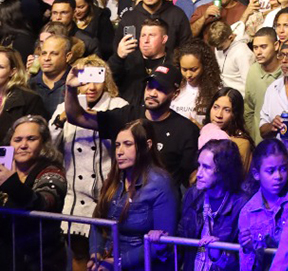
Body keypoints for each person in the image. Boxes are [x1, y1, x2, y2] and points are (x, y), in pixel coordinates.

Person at [64, 62, 199, 190]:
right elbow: (77, 117)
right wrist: (70, 89)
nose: (152, 93)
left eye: (161, 89)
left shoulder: (186, 130)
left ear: (175, 94)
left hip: (159, 205)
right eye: (150, 86)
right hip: (122, 201)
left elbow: (191, 178)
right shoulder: (127, 114)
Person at [49, 55, 128, 267]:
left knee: (106, 256)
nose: (91, 86)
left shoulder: (118, 105)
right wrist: (60, 120)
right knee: (79, 255)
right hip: (76, 196)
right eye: (85, 79)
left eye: (97, 78)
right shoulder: (63, 108)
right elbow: (50, 146)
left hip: (106, 192)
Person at [90, 119, 178, 271]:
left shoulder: (160, 183)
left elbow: (163, 242)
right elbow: (97, 222)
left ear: (148, 145)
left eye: (127, 144)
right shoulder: (114, 179)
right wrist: (95, 253)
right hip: (108, 262)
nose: (119, 151)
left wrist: (119, 262)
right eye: (117, 145)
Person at [0, 115, 68, 271]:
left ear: (44, 144)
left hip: (41, 259)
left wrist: (12, 184)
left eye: (31, 139)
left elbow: (43, 204)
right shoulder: (3, 168)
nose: (23, 145)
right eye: (17, 140)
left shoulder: (52, 172)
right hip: (7, 257)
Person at [238, 138, 288, 271]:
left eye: (283, 169)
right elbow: (246, 264)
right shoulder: (248, 211)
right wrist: (249, 248)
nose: (278, 176)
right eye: (270, 171)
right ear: (256, 174)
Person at [173, 139, 246, 271]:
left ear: (223, 171)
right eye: (199, 165)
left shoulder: (241, 204)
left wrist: (219, 255)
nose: (199, 174)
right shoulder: (193, 194)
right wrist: (162, 246)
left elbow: (246, 260)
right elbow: (181, 242)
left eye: (206, 167)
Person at [202, 87, 254, 173]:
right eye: (215, 107)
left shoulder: (240, 143)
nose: (219, 115)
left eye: (227, 110)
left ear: (235, 114)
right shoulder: (204, 133)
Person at [0, 47, 47, 142]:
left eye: (0, 67)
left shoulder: (30, 100)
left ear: (12, 71)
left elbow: (36, 139)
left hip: (11, 155)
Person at [245, 28, 283, 144]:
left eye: (263, 47)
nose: (258, 52)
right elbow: (249, 109)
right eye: (255, 47)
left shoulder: (287, 72)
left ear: (276, 46)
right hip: (260, 143)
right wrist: (254, 137)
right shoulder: (253, 71)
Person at [172, 40, 223, 125]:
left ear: (205, 66)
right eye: (184, 69)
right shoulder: (173, 87)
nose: (188, 75)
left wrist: (201, 128)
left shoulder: (217, 92)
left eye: (193, 69)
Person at [28, 32, 73, 117]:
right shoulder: (29, 85)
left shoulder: (76, 85)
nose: (47, 58)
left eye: (54, 54)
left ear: (68, 56)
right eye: (44, 53)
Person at [207, 18, 254, 93]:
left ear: (231, 37)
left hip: (240, 97)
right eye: (216, 47)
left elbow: (249, 84)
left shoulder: (243, 53)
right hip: (224, 93)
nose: (218, 49)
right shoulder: (218, 47)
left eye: (220, 47)